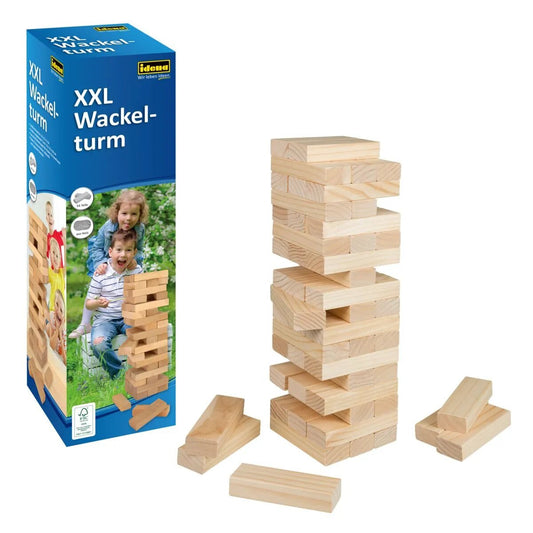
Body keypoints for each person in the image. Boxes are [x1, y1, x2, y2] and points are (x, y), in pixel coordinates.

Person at [69, 189, 148, 339]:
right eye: (124, 213)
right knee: (96, 287)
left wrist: (135, 259)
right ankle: (85, 324)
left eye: (134, 214)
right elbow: (96, 248)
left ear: (140, 215)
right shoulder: (108, 227)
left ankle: (124, 317)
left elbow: (140, 249)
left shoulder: (140, 228)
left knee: (123, 287)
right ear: (117, 212)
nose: (128, 218)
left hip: (126, 258)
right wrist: (101, 263)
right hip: (104, 257)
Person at [85, 228, 142, 379]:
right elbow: (88, 304)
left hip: (128, 318)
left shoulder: (136, 271)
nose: (123, 254)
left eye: (128, 250)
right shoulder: (100, 275)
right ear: (110, 252)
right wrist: (98, 303)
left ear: (134, 253)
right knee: (99, 344)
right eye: (119, 250)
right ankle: (119, 373)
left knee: (144, 334)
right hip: (105, 321)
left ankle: (142, 369)